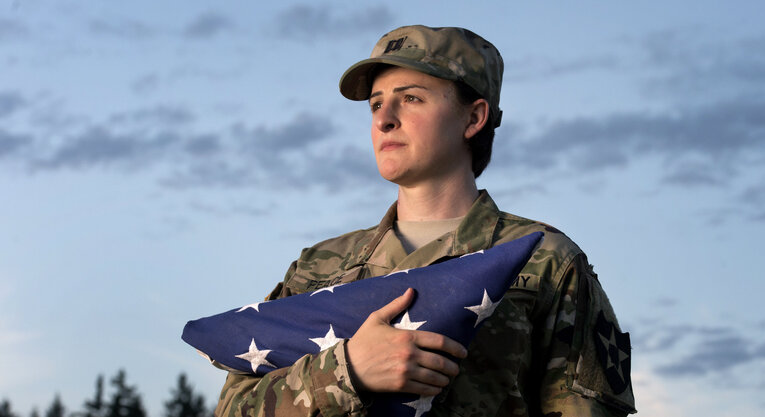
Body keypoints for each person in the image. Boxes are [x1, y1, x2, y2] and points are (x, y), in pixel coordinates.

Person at [214, 25, 636, 417]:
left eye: (411, 98)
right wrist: (347, 371)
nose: (383, 119)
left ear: (474, 118)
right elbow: (234, 408)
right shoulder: (317, 267)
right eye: (377, 103)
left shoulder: (546, 260)